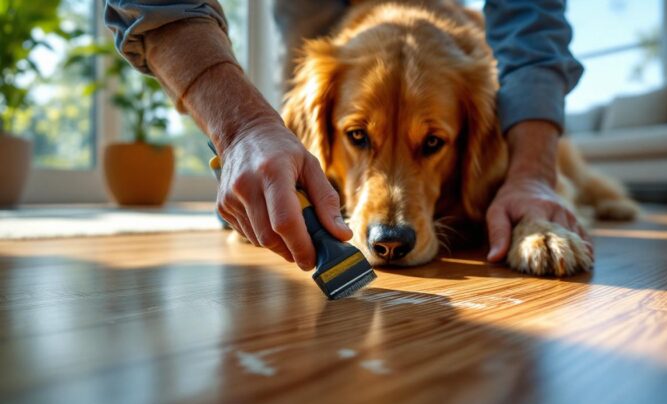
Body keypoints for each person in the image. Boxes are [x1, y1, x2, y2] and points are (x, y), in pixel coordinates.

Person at [104, 0, 586, 271]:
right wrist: (243, 130)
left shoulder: (476, 89)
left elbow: (531, 16)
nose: (391, 221)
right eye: (358, 135)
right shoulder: (325, 82)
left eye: (432, 143)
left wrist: (532, 176)